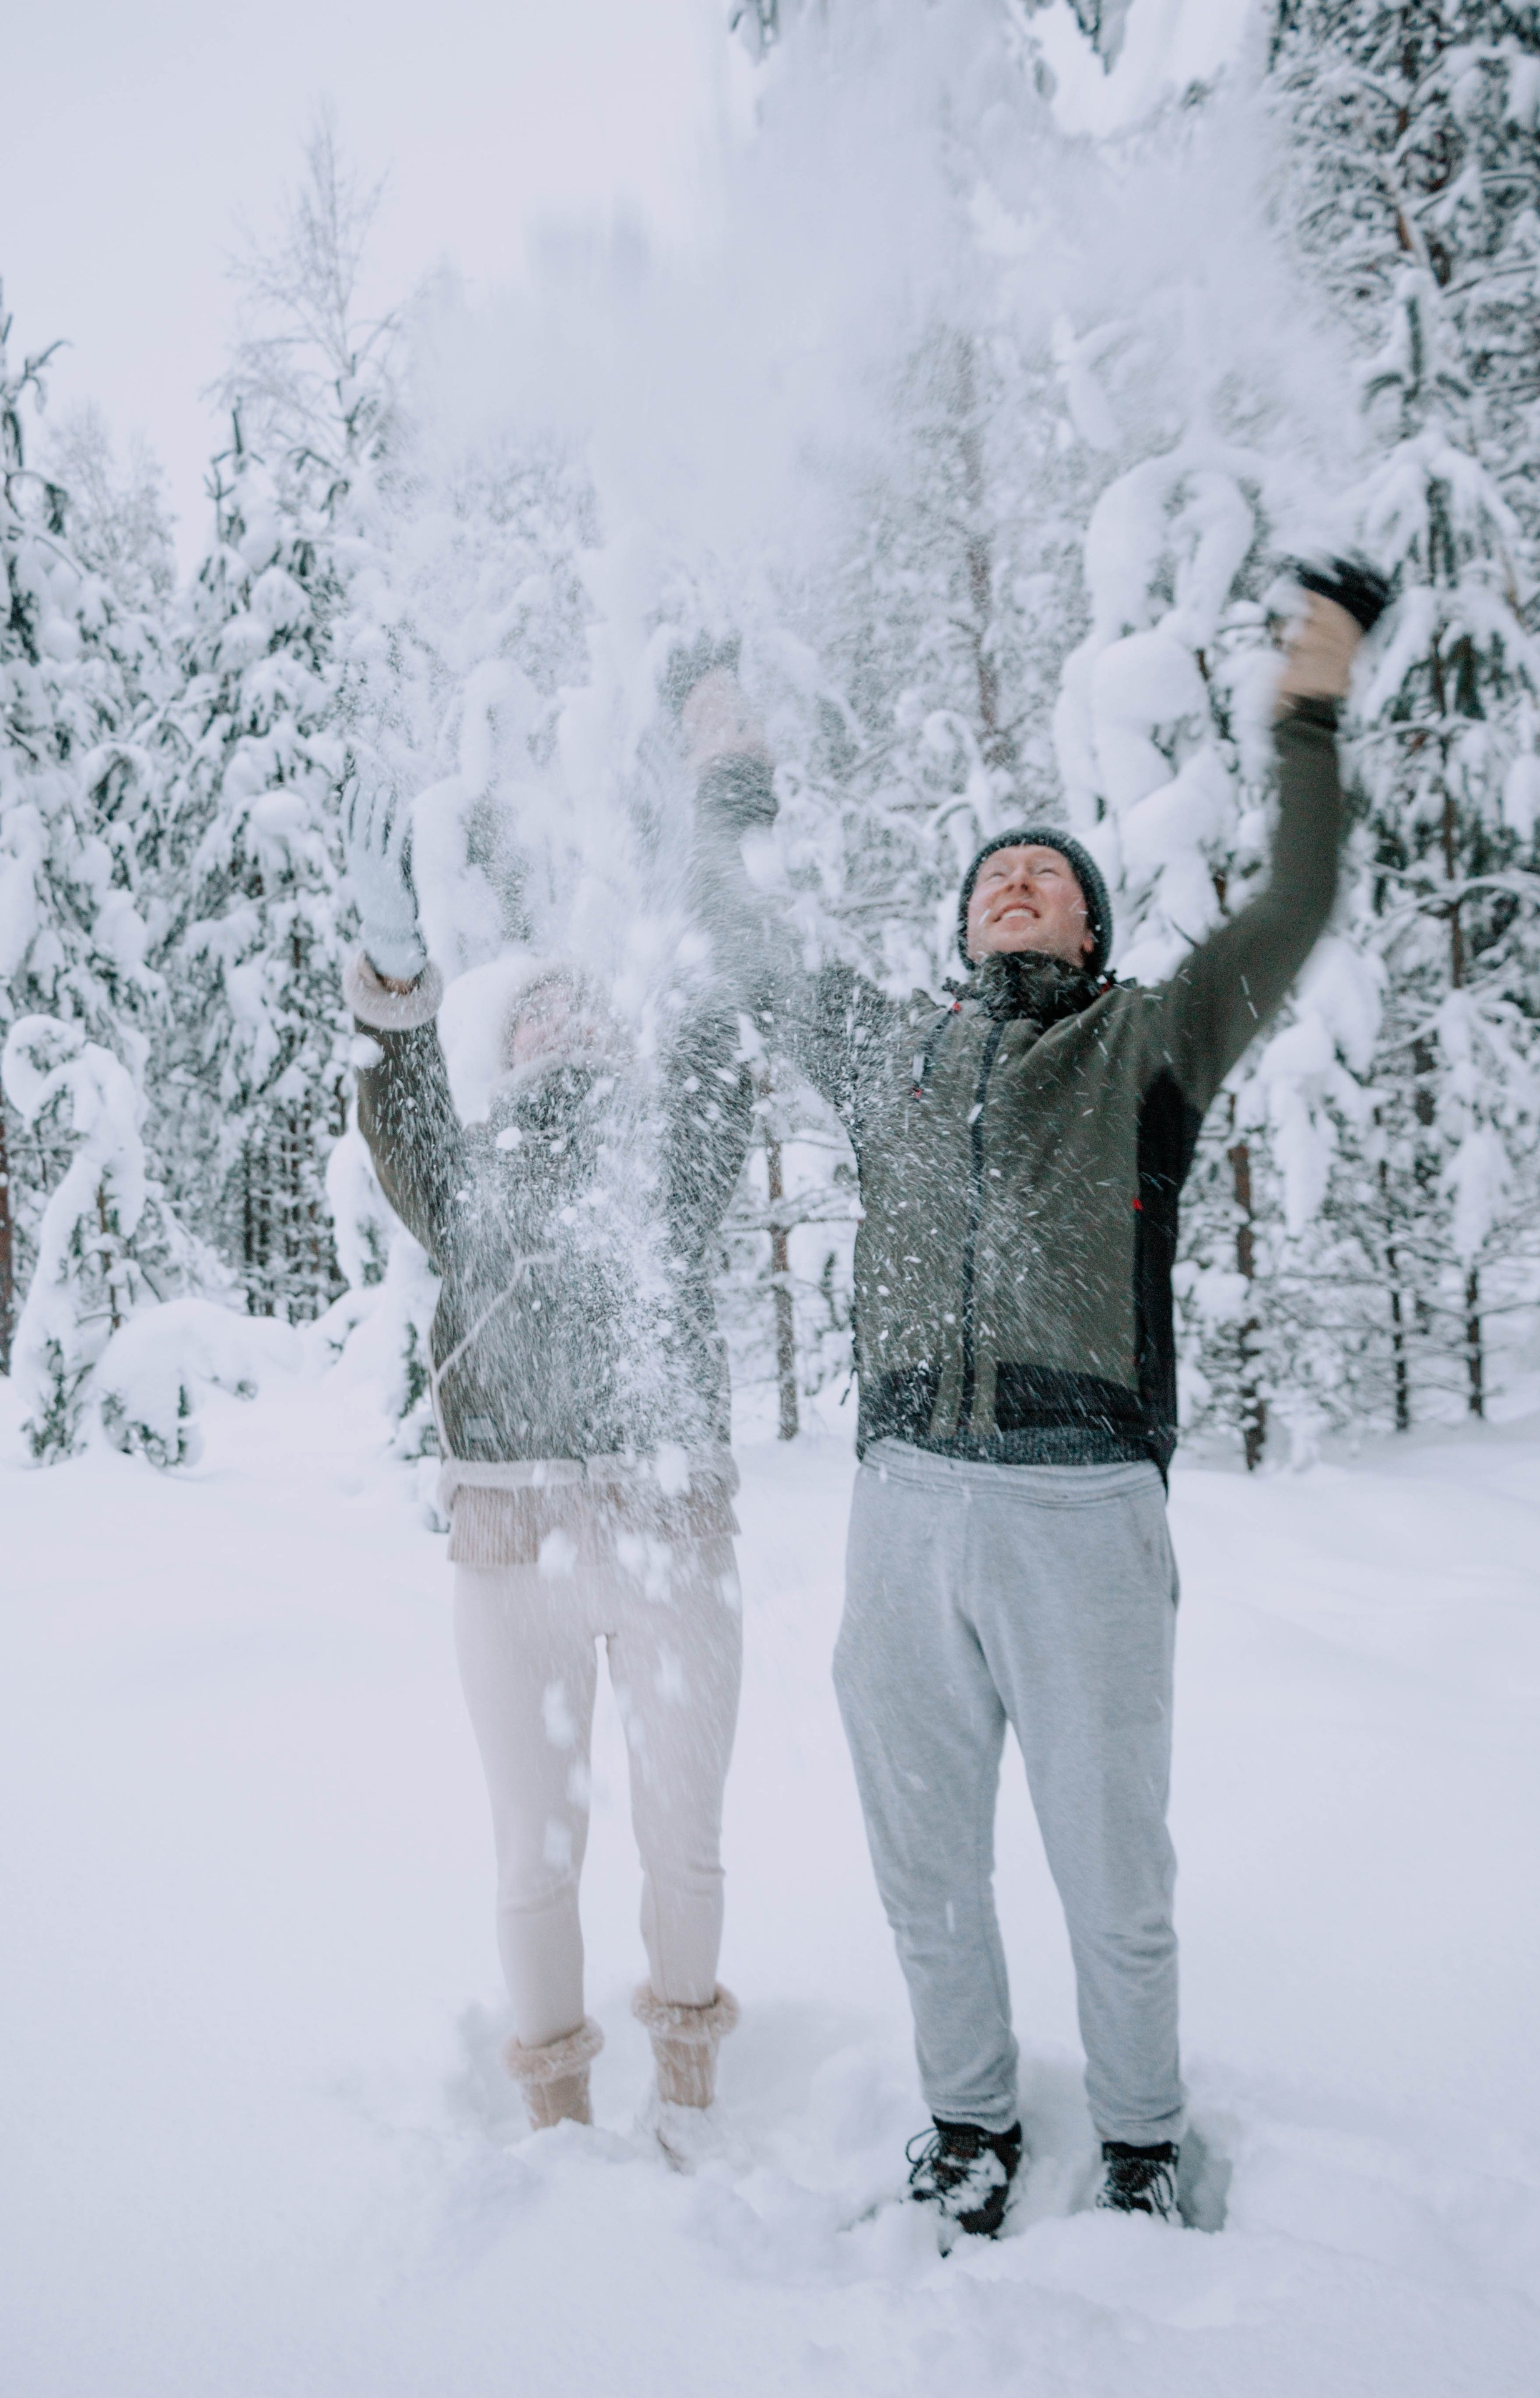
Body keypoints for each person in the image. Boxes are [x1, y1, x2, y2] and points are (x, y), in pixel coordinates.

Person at [699, 563, 1385, 2234]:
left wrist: (1305, 712)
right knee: (925, 1865)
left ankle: (1144, 2140)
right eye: (995, 877)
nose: (1017, 883)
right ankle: (970, 2125)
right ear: (963, 928)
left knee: (1111, 1873)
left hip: (1081, 1509)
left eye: (1046, 877)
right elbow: (738, 926)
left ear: (1090, 929)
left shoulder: (1148, 1045)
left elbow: (1294, 903)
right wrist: (723, 772)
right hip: (901, 1505)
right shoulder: (892, 1057)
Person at [338, 660, 774, 2151]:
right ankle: (556, 2116)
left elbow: (723, 1001)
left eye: (582, 1002)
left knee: (682, 1839)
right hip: (507, 1557)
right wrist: (388, 971)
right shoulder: (461, 1181)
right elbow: (394, 1095)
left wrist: (713, 808)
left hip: (672, 1539)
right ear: (500, 1051)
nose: (557, 1020)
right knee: (533, 1853)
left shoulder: (675, 1159)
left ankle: (694, 2094)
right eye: (529, 1014)